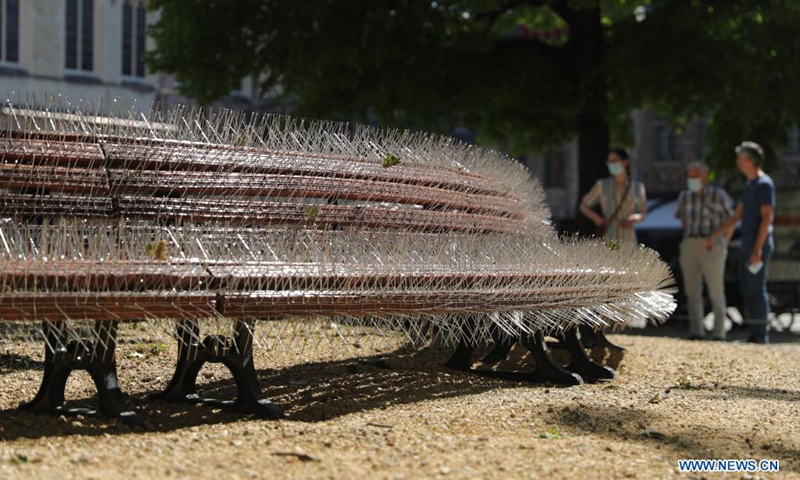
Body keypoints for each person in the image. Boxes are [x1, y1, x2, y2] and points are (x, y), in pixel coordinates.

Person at [705, 141, 775, 344]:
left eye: (739, 158)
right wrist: (715, 235)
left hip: (757, 246)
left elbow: (767, 217)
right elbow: (737, 216)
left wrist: (757, 249)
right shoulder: (750, 185)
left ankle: (761, 335)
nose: (737, 162)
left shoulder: (764, 184)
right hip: (749, 245)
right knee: (747, 289)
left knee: (757, 288)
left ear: (748, 161)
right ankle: (755, 333)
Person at [675, 162, 733, 341]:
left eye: (696, 175)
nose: (692, 179)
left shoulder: (718, 195)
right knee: (692, 290)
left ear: (705, 176)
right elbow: (683, 220)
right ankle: (696, 331)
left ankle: (719, 332)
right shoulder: (684, 196)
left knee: (716, 290)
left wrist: (722, 243)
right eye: (689, 176)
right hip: (690, 243)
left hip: (712, 244)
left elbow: (730, 221)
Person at [579, 147, 647, 244]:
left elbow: (643, 212)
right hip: (609, 238)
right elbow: (583, 206)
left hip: (629, 240)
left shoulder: (637, 187)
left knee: (628, 259)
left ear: (625, 162)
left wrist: (634, 218)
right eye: (609, 161)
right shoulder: (601, 185)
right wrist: (597, 219)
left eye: (615, 161)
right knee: (610, 258)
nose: (612, 164)